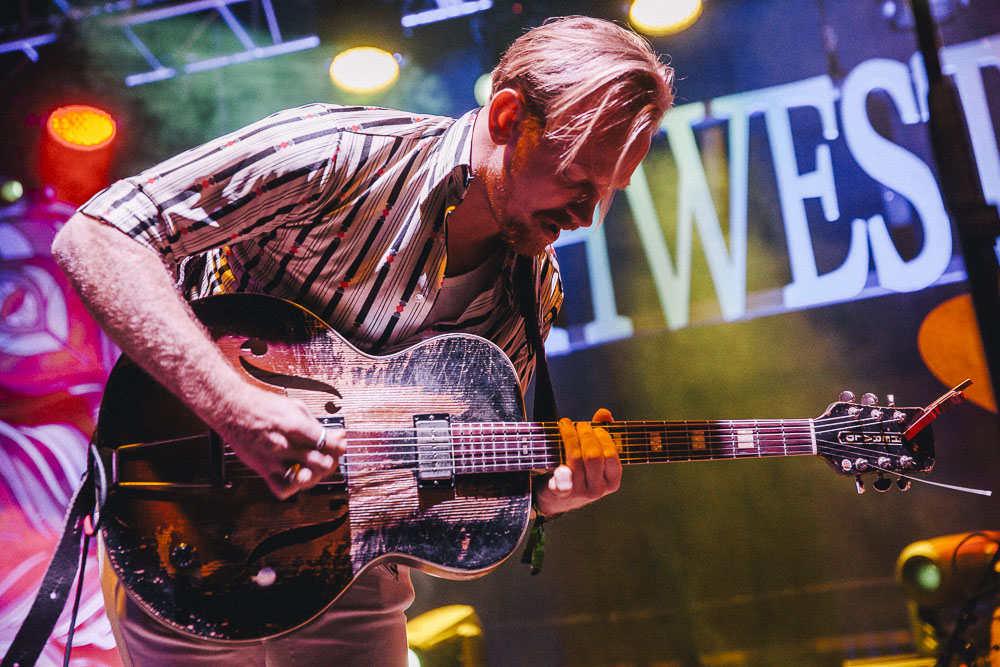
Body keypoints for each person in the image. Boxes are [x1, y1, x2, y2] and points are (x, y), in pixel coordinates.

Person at [52, 14, 675, 666]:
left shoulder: (531, 291)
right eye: (578, 178)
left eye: (607, 193)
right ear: (508, 117)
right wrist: (236, 409)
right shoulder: (337, 155)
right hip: (183, 522)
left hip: (349, 571)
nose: (587, 215)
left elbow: (434, 511)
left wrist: (536, 495)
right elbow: (97, 237)